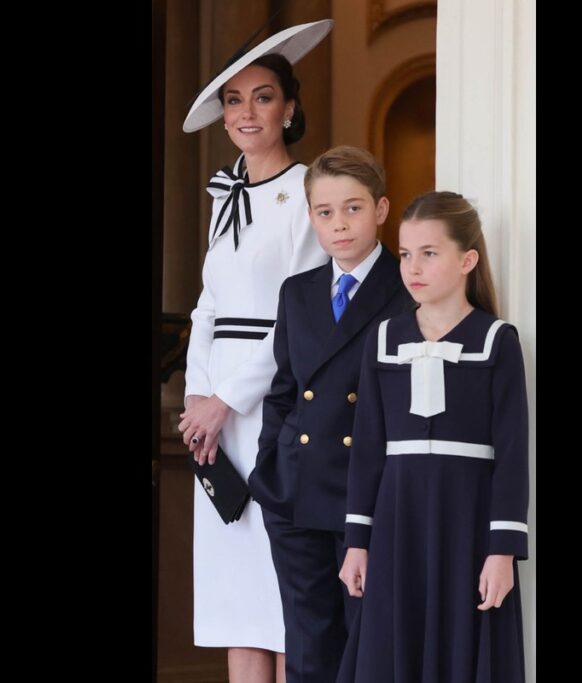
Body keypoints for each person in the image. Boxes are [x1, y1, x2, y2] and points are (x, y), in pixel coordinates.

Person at [178, 19, 334, 683]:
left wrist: (226, 399)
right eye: (235, 99)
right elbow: (208, 304)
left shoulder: (310, 196)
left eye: (263, 96)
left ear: (290, 107)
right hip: (212, 422)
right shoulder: (224, 198)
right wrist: (193, 395)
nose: (247, 111)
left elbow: (298, 320)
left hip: (270, 410)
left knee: (280, 600)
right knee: (236, 603)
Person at [336, 191, 529, 683]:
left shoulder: (496, 341)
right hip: (397, 526)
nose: (412, 267)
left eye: (429, 253)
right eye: (404, 254)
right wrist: (358, 542)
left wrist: (501, 551)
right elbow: (368, 452)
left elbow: (511, 455)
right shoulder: (383, 340)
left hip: (467, 527)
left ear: (467, 260)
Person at [249, 146, 412, 683]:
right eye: (324, 212)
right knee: (308, 646)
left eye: (353, 208)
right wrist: (269, 468)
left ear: (382, 209)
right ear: (310, 216)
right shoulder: (298, 292)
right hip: (295, 495)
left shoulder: (408, 288)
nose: (338, 224)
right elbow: (283, 392)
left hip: (370, 498)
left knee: (369, 646)